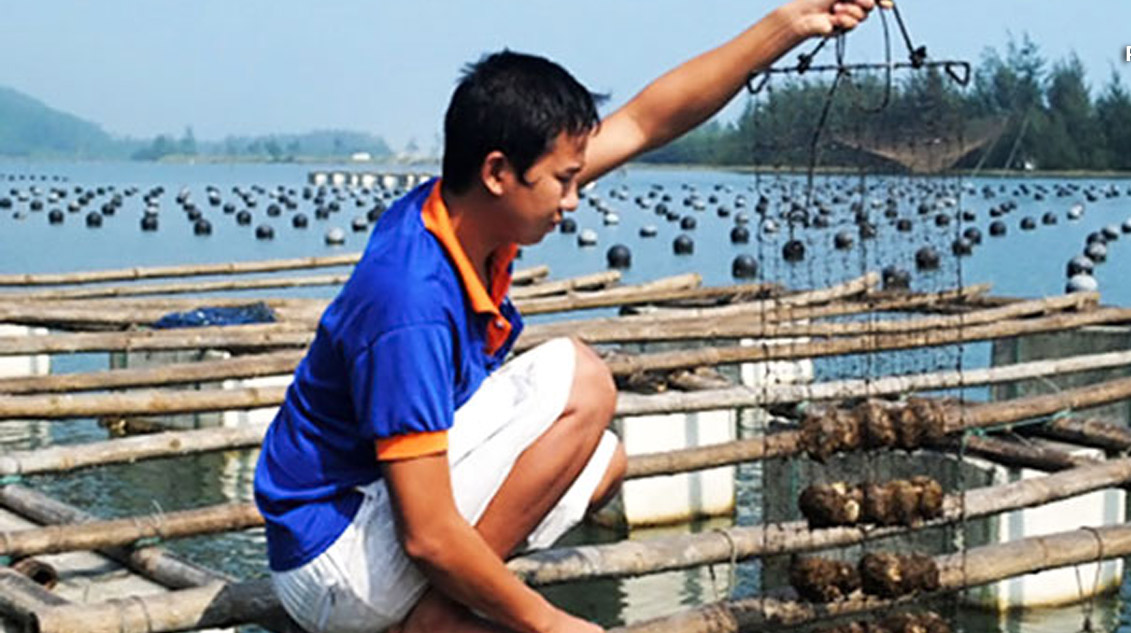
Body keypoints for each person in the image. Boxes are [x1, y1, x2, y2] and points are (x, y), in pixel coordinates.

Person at [253, 2, 877, 632]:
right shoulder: (408, 299)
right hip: (335, 560)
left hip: (368, 535)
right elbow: (428, 536)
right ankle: (434, 619)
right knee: (579, 377)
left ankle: (433, 612)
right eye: (564, 182)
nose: (574, 201)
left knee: (600, 459)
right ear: (498, 172)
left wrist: (789, 26)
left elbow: (645, 121)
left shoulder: (464, 216)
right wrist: (550, 623)